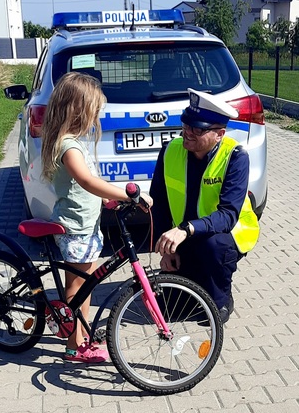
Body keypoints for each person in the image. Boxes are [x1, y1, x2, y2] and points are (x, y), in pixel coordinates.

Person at [41, 72, 152, 362]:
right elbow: (87, 181)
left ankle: (80, 336)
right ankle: (73, 346)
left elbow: (86, 186)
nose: (96, 119)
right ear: (77, 110)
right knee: (77, 289)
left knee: (85, 284)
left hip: (86, 226)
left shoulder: (73, 141)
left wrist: (108, 199)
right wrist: (129, 194)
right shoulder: (68, 146)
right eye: (94, 112)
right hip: (75, 229)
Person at [150, 88, 260, 324]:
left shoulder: (236, 156)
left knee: (213, 247)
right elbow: (158, 202)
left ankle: (221, 300)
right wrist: (168, 249)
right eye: (186, 124)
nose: (188, 133)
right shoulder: (170, 150)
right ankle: (195, 280)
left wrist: (185, 229)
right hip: (185, 235)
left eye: (197, 129)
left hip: (223, 236)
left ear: (219, 134)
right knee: (167, 308)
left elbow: (228, 215)